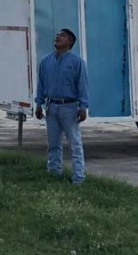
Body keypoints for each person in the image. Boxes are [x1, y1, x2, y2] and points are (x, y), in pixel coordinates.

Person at [34, 28, 90, 185]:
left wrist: (83, 107)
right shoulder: (46, 61)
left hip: (69, 108)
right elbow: (41, 84)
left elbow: (83, 86)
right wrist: (39, 104)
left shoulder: (77, 62)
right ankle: (54, 172)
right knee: (53, 143)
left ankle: (78, 177)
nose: (58, 37)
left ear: (69, 42)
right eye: (57, 35)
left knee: (74, 143)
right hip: (51, 106)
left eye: (62, 36)